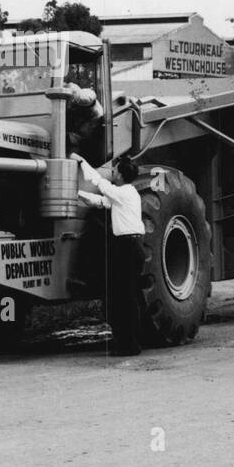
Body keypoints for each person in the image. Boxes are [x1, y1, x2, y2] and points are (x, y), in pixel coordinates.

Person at [75, 153, 145, 357]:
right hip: (129, 246)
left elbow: (99, 183)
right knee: (126, 296)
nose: (112, 173)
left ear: (121, 175)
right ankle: (128, 342)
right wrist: (77, 194)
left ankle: (128, 344)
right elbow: (100, 201)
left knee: (125, 298)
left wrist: (82, 161)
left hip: (127, 247)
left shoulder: (123, 193)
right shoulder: (125, 194)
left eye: (115, 171)